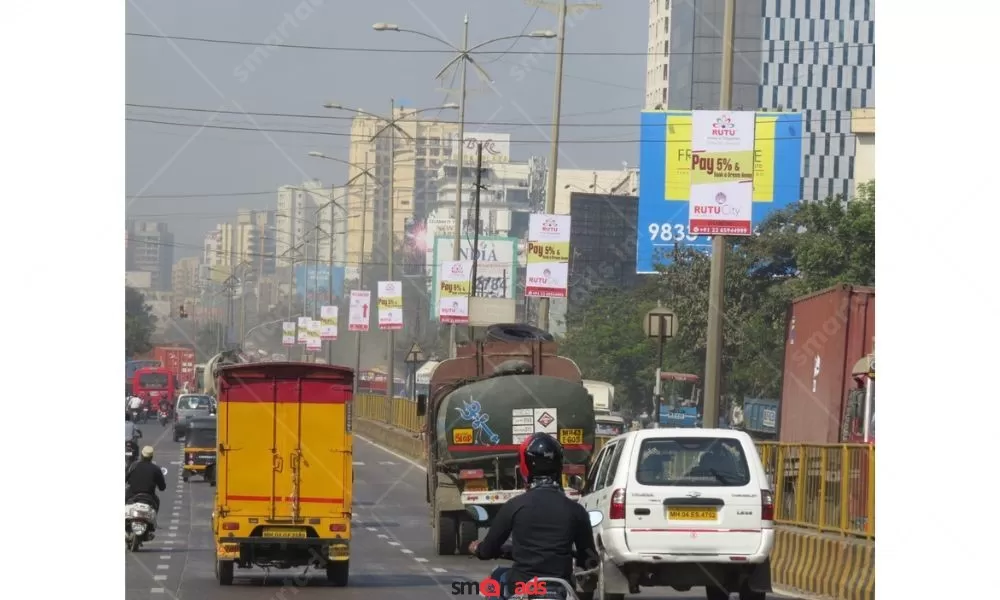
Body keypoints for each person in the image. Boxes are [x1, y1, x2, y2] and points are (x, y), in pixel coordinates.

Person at [469, 433, 598, 598]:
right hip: (561, 589)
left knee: (497, 577)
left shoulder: (514, 506)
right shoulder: (576, 510)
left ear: (525, 465)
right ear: (559, 464)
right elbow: (589, 559)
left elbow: (488, 550)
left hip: (521, 587)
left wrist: (478, 548)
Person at [126, 445, 166, 514]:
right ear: (151, 457)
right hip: (149, 497)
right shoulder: (156, 469)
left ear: (141, 455)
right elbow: (162, 487)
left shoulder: (133, 466)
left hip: (132, 495)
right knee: (157, 502)